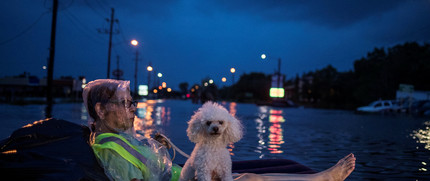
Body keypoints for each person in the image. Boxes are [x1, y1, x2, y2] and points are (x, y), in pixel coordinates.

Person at [83, 79, 356, 181]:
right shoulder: (109, 148)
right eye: (125, 103)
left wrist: (159, 146)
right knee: (249, 178)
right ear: (101, 111)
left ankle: (312, 176)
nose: (133, 109)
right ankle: (323, 179)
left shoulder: (120, 137)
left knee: (282, 162)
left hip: (180, 173)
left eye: (133, 102)